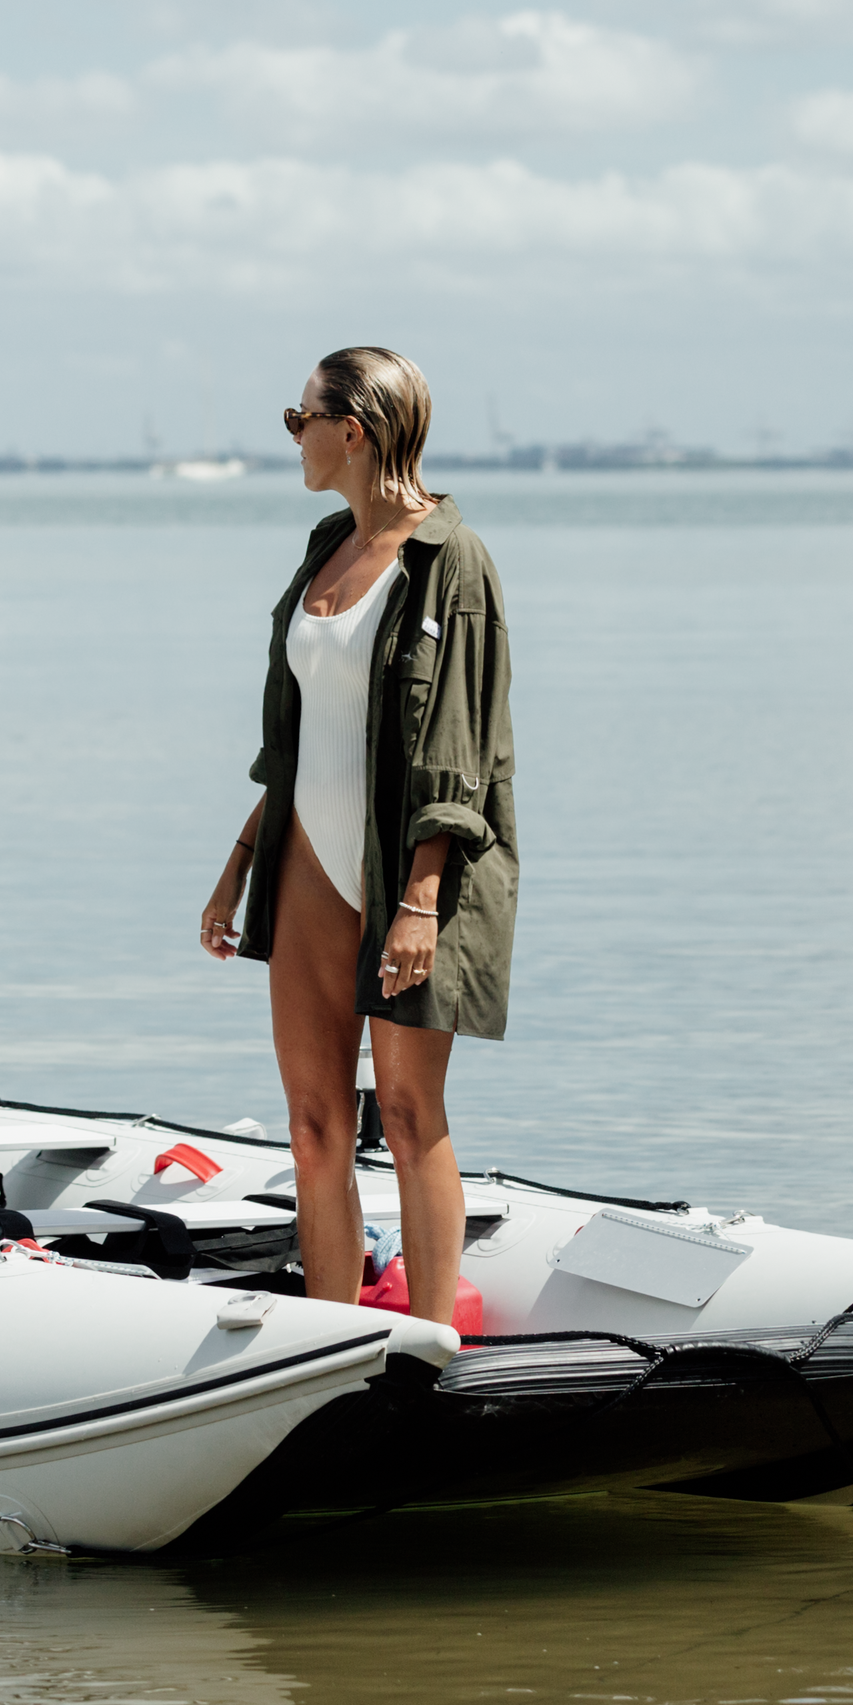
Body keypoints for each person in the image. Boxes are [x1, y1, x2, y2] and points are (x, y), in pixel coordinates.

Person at [200, 346, 516, 1329]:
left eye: (302, 420)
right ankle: (327, 1339)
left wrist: (421, 899)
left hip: (415, 878)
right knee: (313, 1125)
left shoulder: (448, 561)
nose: (293, 438)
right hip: (303, 865)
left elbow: (458, 755)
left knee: (413, 1116)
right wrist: (237, 865)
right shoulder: (324, 545)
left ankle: (426, 1341)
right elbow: (300, 738)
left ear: (356, 431)